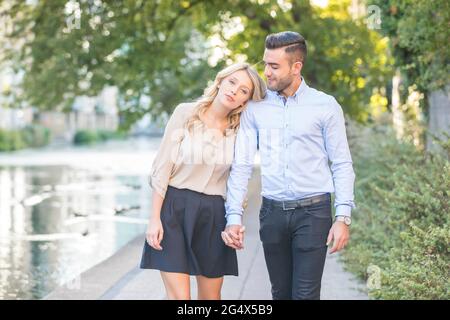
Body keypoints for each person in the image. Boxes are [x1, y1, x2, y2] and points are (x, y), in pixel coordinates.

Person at [222, 31, 355, 300]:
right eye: (265, 64)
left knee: (305, 295)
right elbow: (242, 165)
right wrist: (233, 217)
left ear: (296, 67)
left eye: (274, 66)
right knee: (280, 293)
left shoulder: (325, 106)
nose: (266, 73)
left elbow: (341, 163)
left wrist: (342, 217)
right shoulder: (254, 108)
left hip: (313, 213)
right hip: (272, 214)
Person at [140, 62, 266, 300]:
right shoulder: (185, 113)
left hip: (213, 215)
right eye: (232, 83)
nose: (234, 91)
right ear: (220, 81)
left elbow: (239, 178)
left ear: (245, 101)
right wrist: (154, 219)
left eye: (243, 91)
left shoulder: (242, 130)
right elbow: (162, 167)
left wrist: (234, 220)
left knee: (211, 299)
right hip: (174, 210)